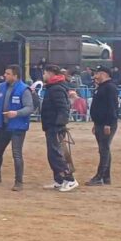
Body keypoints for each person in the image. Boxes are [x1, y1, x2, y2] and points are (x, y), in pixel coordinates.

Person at [40, 64, 77, 192]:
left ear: (50, 73)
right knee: (52, 154)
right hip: (51, 125)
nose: (43, 75)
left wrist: (59, 125)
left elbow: (63, 108)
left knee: (56, 154)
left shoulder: (56, 89)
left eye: (44, 73)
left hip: (54, 127)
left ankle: (70, 179)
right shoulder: (54, 87)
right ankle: (59, 180)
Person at [88, 66, 119, 186]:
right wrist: (96, 123)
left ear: (105, 74)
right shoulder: (101, 88)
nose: (96, 76)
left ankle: (99, 176)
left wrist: (108, 124)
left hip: (107, 124)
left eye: (98, 73)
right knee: (104, 150)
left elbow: (112, 107)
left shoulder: (110, 88)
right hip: (100, 123)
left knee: (104, 149)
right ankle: (106, 177)